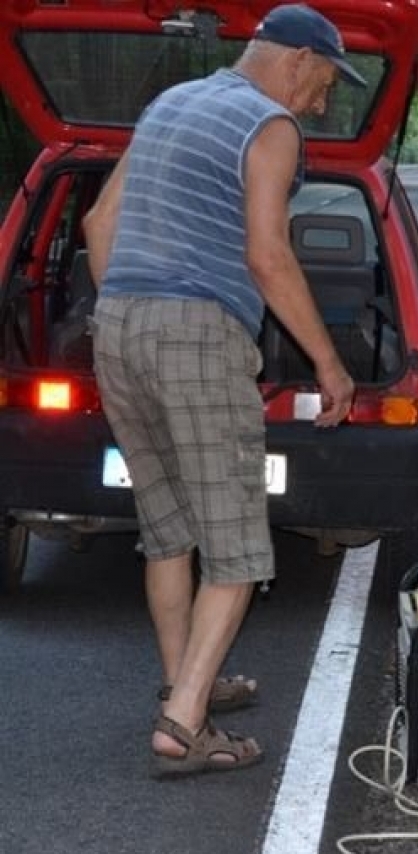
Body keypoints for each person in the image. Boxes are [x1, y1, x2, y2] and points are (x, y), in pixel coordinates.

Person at [82, 4, 362, 776]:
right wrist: (330, 366)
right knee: (237, 547)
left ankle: (187, 684)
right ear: (298, 59)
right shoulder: (270, 126)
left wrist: (130, 312)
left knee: (168, 530)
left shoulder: (169, 103)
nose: (321, 103)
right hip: (197, 334)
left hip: (118, 326)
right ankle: (183, 726)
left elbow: (99, 223)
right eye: (325, 83)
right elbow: (268, 256)